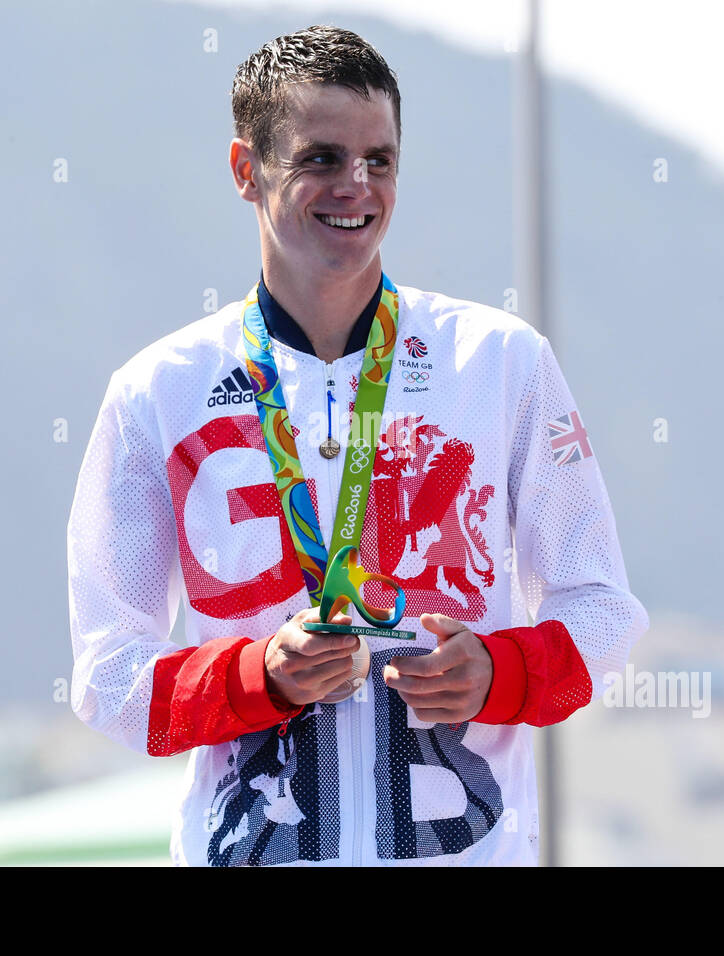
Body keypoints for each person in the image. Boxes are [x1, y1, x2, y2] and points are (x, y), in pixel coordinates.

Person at [66, 24, 649, 866]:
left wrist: (497, 670)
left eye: (380, 159)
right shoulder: (157, 392)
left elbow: (601, 611)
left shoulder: (499, 362)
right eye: (321, 158)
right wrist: (257, 675)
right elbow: (106, 678)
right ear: (245, 170)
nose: (357, 185)